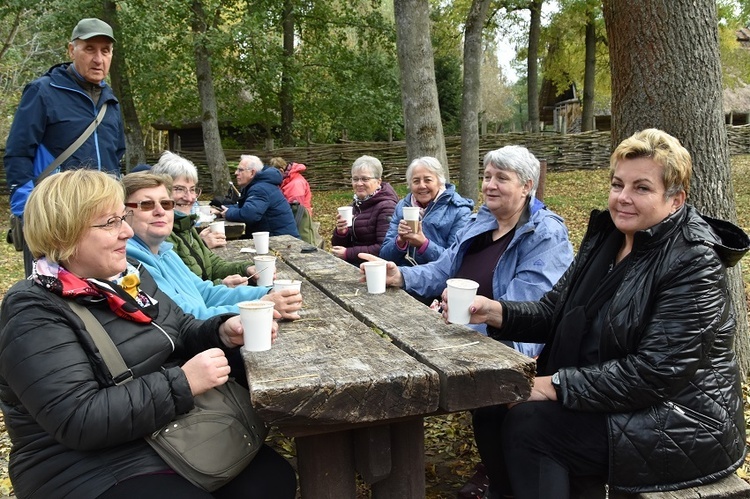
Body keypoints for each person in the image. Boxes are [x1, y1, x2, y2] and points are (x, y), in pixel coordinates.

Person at [458, 129, 749, 499]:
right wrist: (493, 312)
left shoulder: (693, 260)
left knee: (531, 426)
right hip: (616, 395)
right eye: (617, 184)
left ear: (675, 200)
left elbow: (656, 372)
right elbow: (554, 310)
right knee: (492, 408)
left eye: (641, 188)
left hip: (683, 420)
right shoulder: (608, 239)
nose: (623, 198)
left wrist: (551, 385)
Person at [0, 169, 297, 499]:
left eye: (122, 219)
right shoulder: (34, 310)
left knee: (274, 479)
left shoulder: (128, 276)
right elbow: (77, 419)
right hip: (82, 467)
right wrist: (182, 383)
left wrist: (222, 331)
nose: (126, 231)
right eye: (110, 223)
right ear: (63, 234)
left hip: (161, 431)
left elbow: (181, 327)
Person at [361, 145, 573, 354]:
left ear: (526, 186)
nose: (490, 185)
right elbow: (443, 269)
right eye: (487, 177)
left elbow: (525, 313)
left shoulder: (545, 234)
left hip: (496, 349)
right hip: (451, 334)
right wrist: (400, 275)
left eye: (502, 178)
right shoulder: (479, 223)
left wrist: (452, 333)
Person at [4, 18, 126, 277]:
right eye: (89, 49)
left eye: (105, 51)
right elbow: (18, 153)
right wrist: (28, 211)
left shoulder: (110, 102)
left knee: (100, 289)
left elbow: (116, 157)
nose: (98, 59)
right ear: (72, 50)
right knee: (51, 292)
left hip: (101, 221)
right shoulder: (43, 92)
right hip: (57, 218)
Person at [123, 172, 302, 321]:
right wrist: (260, 306)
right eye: (146, 205)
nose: (160, 211)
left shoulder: (164, 251)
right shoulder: (131, 263)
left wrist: (266, 292)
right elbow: (185, 318)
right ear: (122, 212)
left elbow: (204, 293)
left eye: (166, 203)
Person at [151, 151, 259, 287]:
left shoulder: (185, 226)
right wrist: (221, 285)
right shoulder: (159, 234)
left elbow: (212, 264)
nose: (190, 198)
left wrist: (246, 269)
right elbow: (180, 290)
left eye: (192, 189)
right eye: (179, 189)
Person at [379, 156, 474, 268]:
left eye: (428, 180)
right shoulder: (402, 207)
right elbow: (384, 256)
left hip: (437, 282)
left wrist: (424, 244)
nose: (422, 186)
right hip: (400, 276)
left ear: (440, 182)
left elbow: (455, 261)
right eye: (416, 181)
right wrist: (400, 241)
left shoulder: (459, 210)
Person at [332, 155, 399, 266]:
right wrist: (341, 233)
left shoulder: (387, 207)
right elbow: (338, 246)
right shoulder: (356, 205)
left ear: (378, 181)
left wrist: (348, 253)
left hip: (376, 270)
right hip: (354, 266)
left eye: (365, 179)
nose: (359, 183)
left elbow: (383, 248)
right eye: (355, 179)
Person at [218, 155, 300, 238]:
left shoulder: (260, 189)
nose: (236, 173)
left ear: (252, 173)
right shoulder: (261, 185)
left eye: (240, 170)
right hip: (274, 237)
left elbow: (249, 215)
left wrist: (228, 213)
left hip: (282, 242)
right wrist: (222, 209)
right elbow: (246, 206)